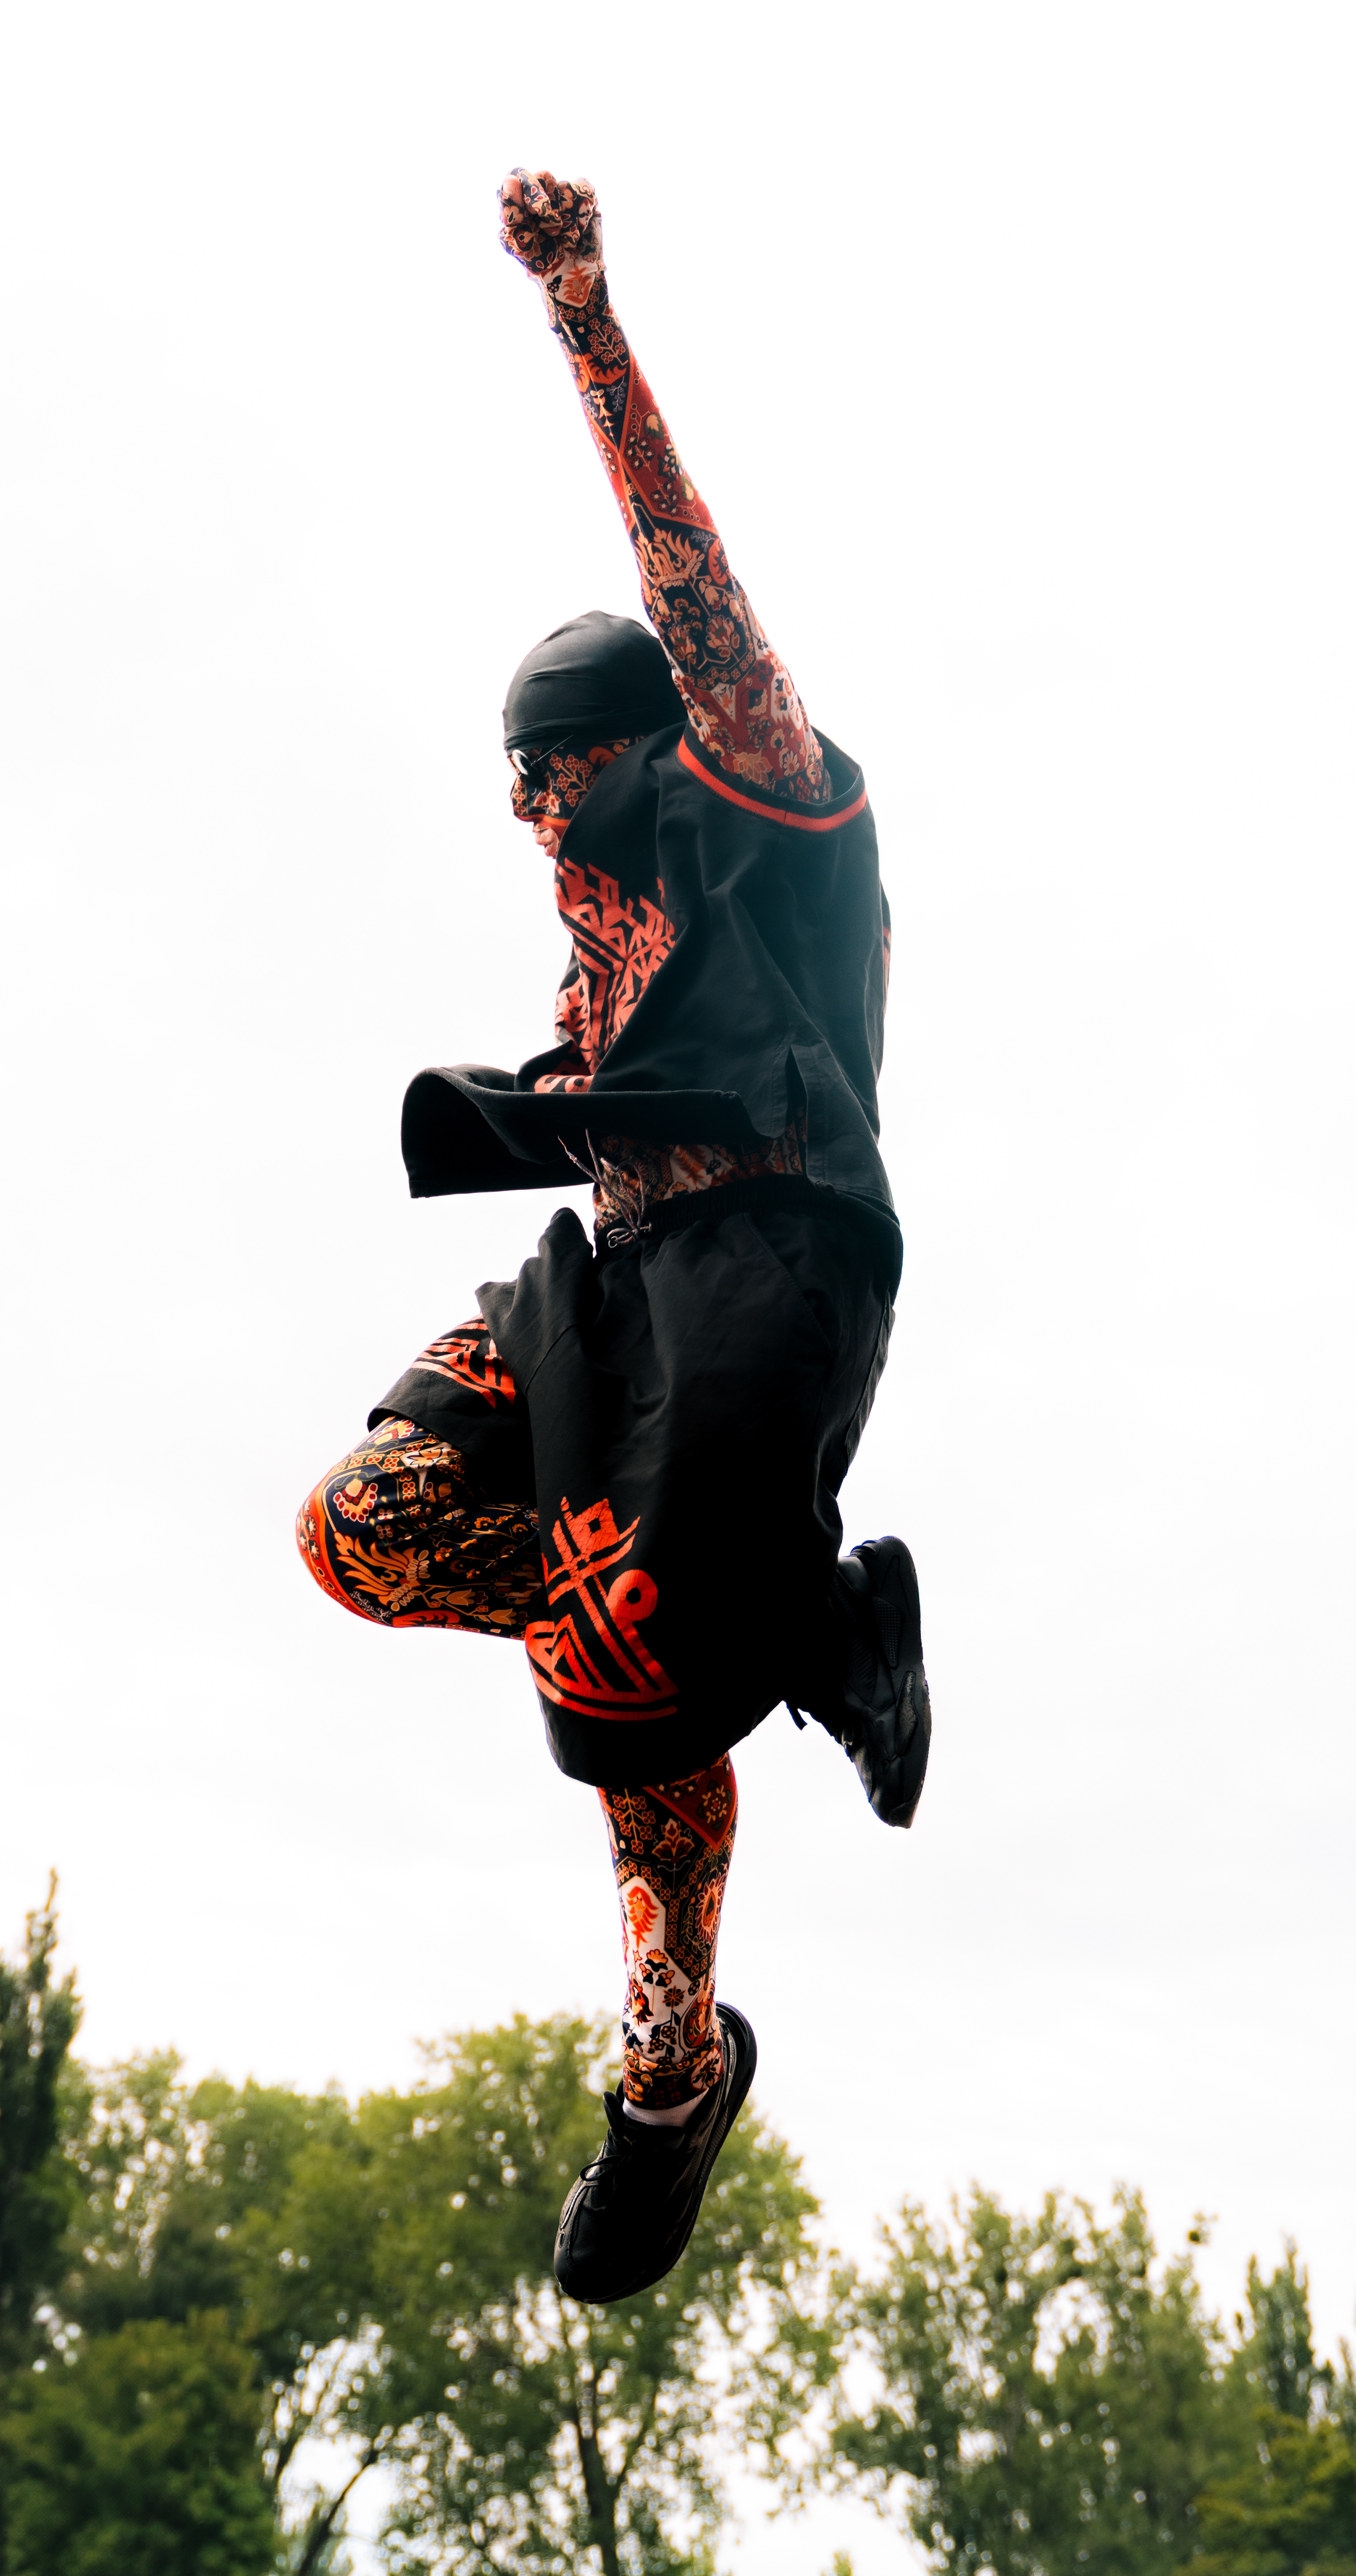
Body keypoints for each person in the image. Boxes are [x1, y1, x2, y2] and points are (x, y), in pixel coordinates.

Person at [295, 169, 930, 2305]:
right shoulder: (593, 937)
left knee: (627, 1647)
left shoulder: (752, 780)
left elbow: (701, 576)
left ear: (626, 745)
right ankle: (785, 1626)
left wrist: (583, 312)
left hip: (782, 1270)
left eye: (539, 774)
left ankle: (669, 2091)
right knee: (367, 1526)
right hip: (622, 1288)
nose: (523, 817)